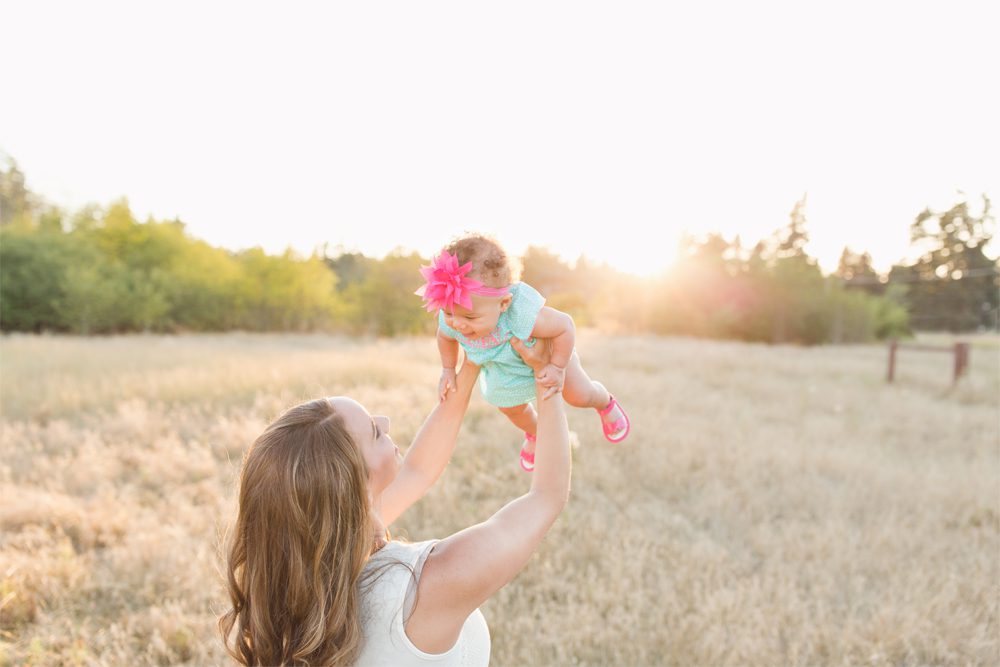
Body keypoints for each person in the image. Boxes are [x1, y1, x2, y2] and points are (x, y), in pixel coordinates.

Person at [220, 336, 568, 666]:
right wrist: (547, 380)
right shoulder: (432, 581)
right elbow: (546, 499)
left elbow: (418, 470)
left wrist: (473, 360)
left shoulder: (305, 568)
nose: (386, 422)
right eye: (374, 431)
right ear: (355, 485)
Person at [416, 234, 630, 472]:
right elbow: (444, 336)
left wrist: (557, 367)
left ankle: (605, 402)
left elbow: (565, 326)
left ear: (504, 304)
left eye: (470, 317)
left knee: (578, 395)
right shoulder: (453, 315)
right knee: (509, 407)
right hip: (505, 368)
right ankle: (535, 432)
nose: (457, 324)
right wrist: (448, 368)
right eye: (448, 314)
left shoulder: (522, 314)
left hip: (551, 357)